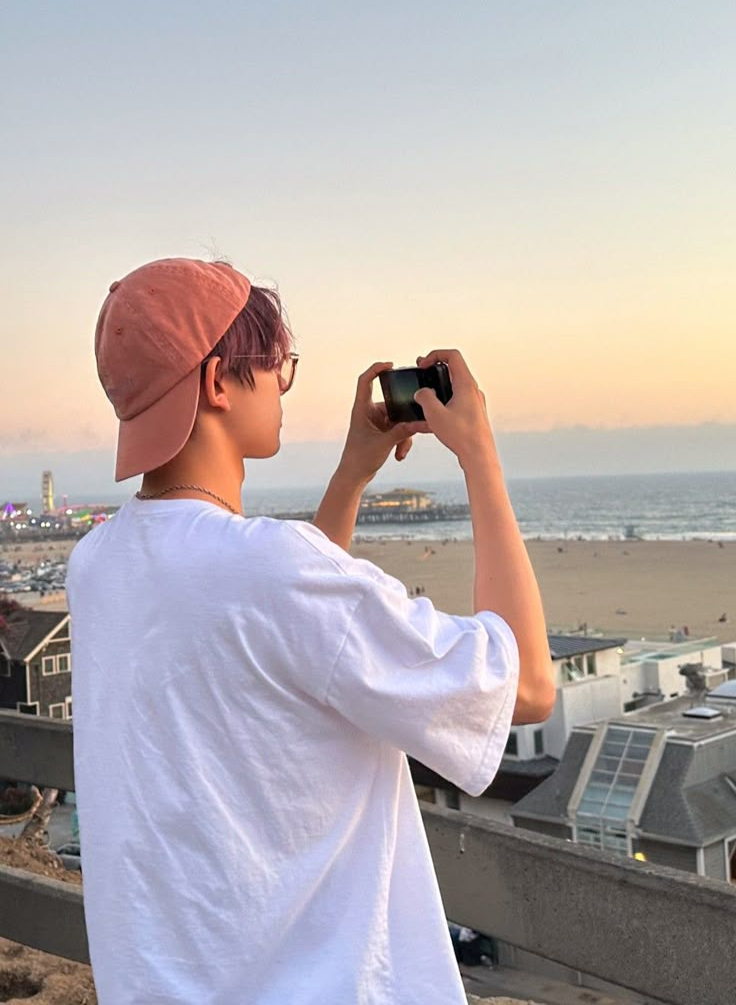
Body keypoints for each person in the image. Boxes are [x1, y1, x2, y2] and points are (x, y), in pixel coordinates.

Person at [65, 257, 554, 1005]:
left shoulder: (97, 565)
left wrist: (353, 474)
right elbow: (525, 686)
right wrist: (479, 453)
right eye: (275, 366)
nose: (283, 385)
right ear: (218, 382)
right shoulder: (270, 571)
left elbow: (290, 648)